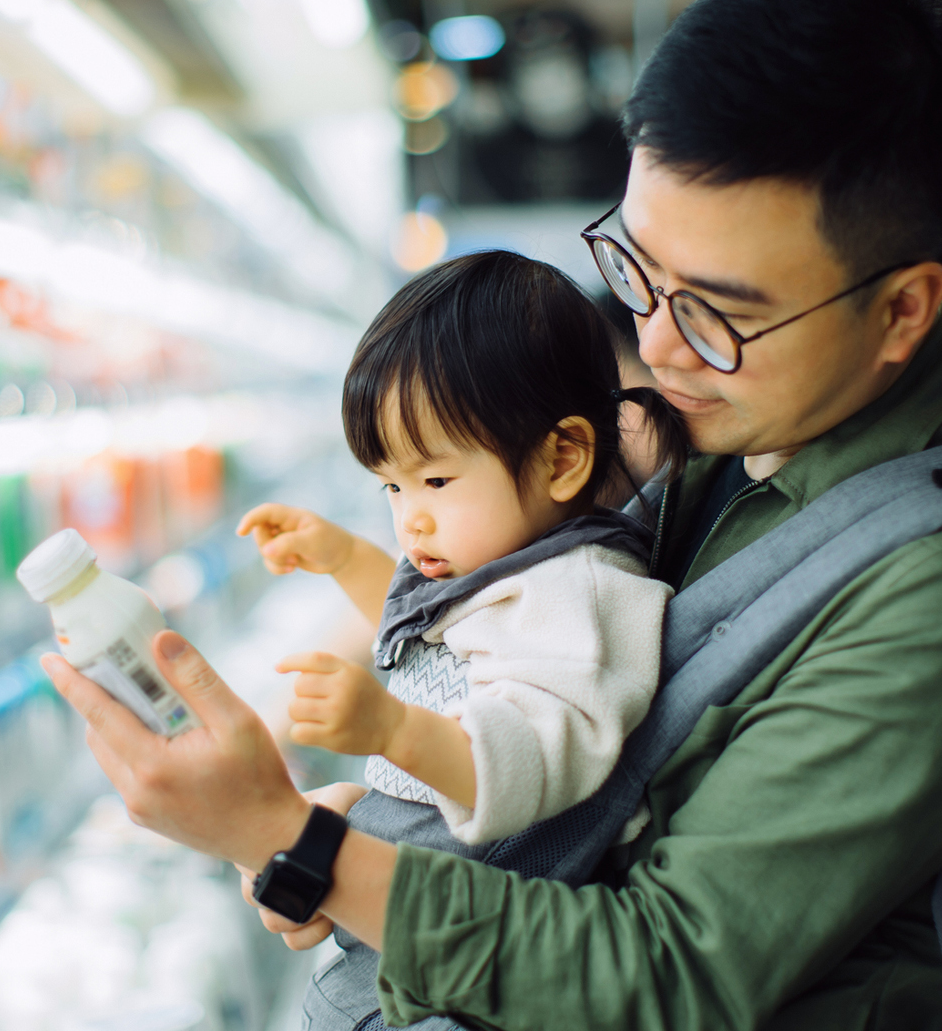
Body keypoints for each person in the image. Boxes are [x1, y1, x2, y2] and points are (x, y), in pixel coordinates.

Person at [41, 0, 942, 1027]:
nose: (659, 346)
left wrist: (299, 848)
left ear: (902, 310)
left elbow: (667, 972)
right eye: (638, 271)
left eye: (721, 311)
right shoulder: (721, 434)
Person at [236, 250, 681, 848]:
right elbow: (430, 637)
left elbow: (535, 757)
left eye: (435, 481)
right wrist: (341, 557)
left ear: (563, 459)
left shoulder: (577, 593)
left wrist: (394, 730)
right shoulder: (517, 568)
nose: (409, 520)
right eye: (392, 486)